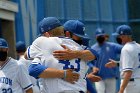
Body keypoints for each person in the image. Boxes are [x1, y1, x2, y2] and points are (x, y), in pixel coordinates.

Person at [26, 17, 90, 93]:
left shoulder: (44, 44)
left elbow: (32, 68)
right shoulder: (80, 48)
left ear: (46, 34)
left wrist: (64, 73)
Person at [53, 20, 101, 93]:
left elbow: (95, 54)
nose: (81, 40)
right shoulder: (52, 45)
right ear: (67, 34)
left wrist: (74, 54)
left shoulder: (79, 48)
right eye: (78, 37)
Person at [91, 28, 122, 93]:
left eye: (102, 36)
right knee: (100, 91)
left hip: (111, 75)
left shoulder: (112, 46)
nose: (100, 37)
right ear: (95, 37)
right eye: (99, 36)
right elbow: (88, 61)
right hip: (99, 77)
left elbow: (125, 49)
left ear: (104, 36)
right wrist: (92, 67)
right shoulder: (93, 48)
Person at [112, 25, 140, 93]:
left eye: (118, 36)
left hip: (131, 84)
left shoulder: (126, 49)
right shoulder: (138, 46)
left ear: (124, 36)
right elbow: (135, 63)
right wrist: (118, 63)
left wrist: (121, 90)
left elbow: (128, 72)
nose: (117, 38)